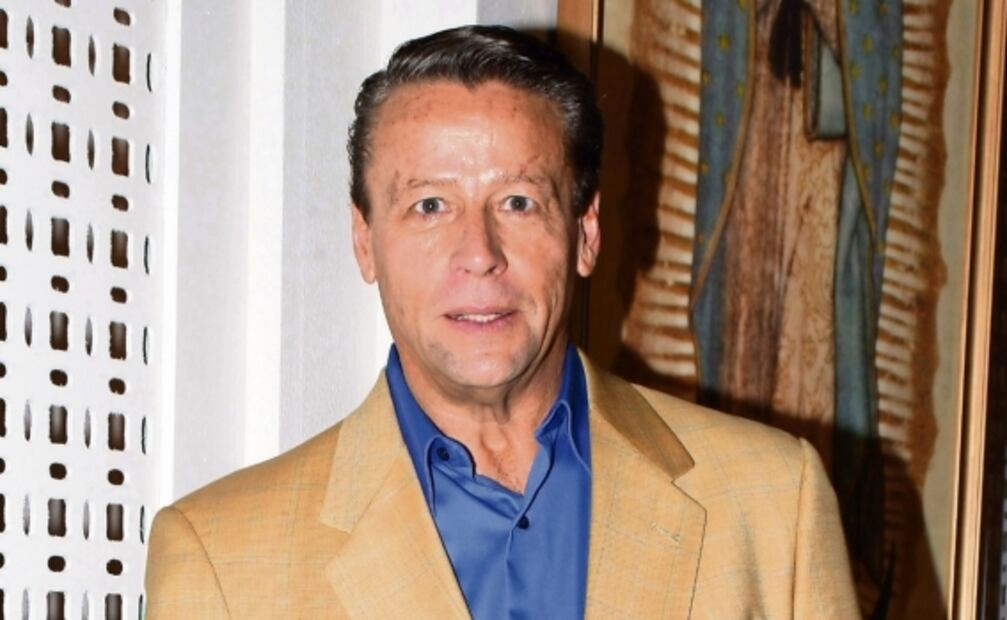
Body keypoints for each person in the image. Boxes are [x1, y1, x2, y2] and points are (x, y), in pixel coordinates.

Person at [145, 25, 858, 619]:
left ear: (584, 233)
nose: (479, 254)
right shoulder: (219, 560)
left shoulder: (774, 504)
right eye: (429, 205)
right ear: (364, 241)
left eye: (518, 202)